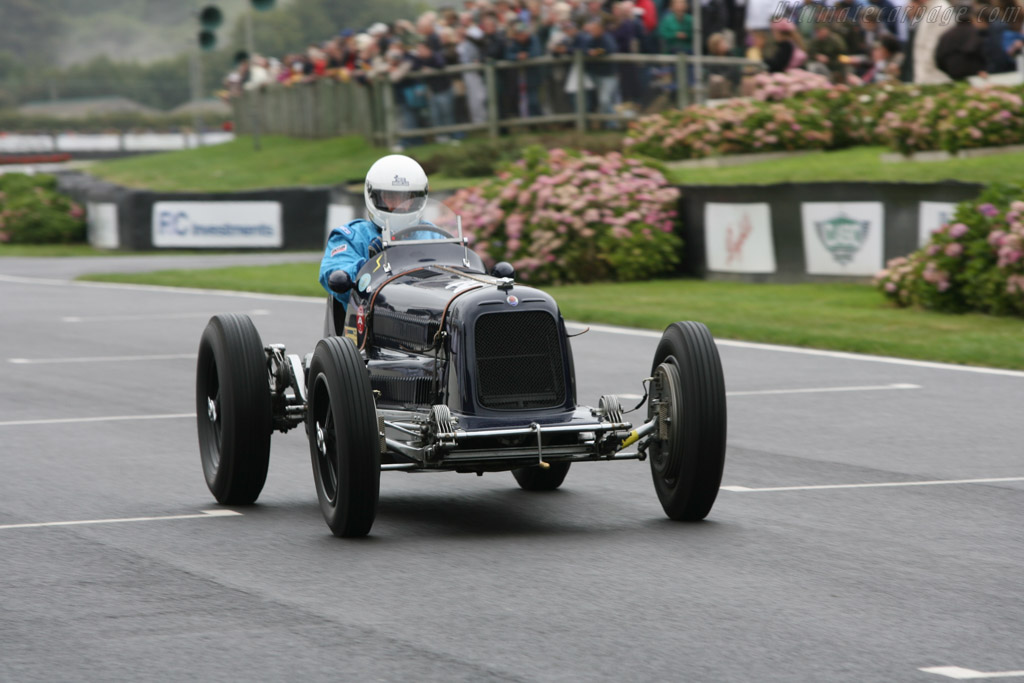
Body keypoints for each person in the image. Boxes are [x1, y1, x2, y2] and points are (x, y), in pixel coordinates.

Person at [319, 155, 431, 311]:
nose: (399, 204)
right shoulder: (351, 236)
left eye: (407, 198)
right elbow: (333, 278)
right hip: (370, 322)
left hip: (427, 315)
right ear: (374, 196)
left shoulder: (432, 235)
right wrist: (371, 264)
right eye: (391, 197)